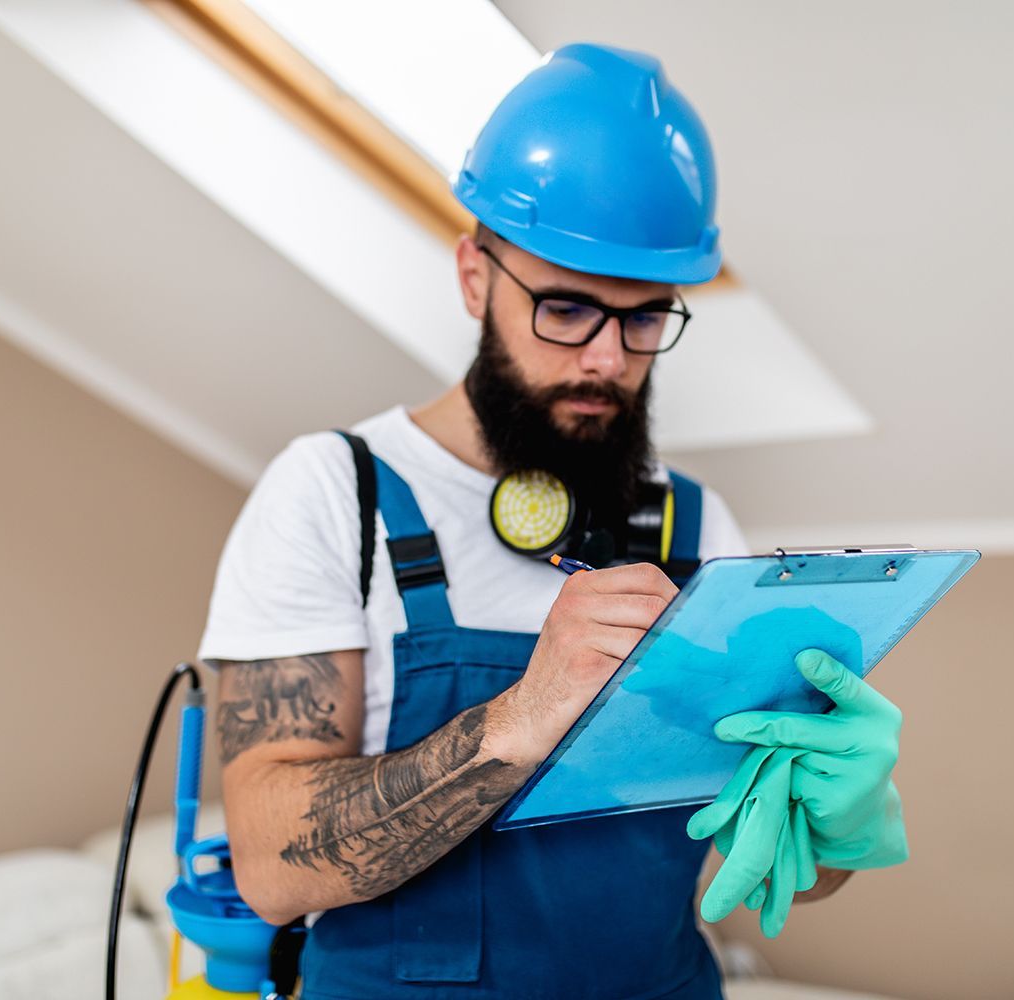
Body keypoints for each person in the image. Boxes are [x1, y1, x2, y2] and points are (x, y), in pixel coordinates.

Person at [198, 42, 906, 1000]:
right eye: (567, 309)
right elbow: (272, 868)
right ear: (474, 277)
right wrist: (521, 719)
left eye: (645, 317)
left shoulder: (695, 524)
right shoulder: (336, 493)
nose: (608, 359)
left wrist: (834, 819)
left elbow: (778, 872)